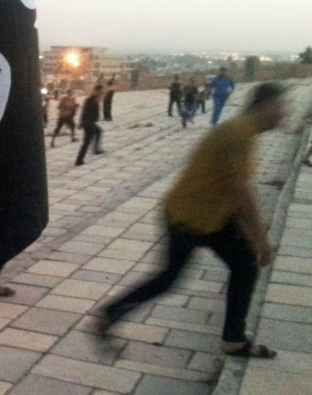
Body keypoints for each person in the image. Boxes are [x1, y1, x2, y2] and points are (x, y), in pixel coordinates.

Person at [98, 83, 286, 359]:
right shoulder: (239, 133)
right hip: (188, 217)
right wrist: (261, 241)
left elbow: (233, 190)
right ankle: (109, 314)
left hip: (210, 217)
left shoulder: (243, 131)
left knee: (244, 266)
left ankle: (234, 339)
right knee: (169, 279)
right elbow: (241, 193)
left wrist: (247, 234)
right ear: (265, 106)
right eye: (281, 107)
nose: (284, 114)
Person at [75, 85, 105, 166]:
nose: (101, 93)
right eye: (100, 92)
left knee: (98, 131)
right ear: (96, 91)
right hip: (89, 123)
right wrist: (81, 123)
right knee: (86, 142)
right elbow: (85, 111)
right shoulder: (91, 99)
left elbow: (84, 111)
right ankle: (79, 160)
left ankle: (96, 149)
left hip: (90, 123)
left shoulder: (93, 99)